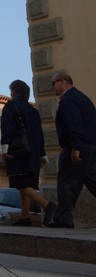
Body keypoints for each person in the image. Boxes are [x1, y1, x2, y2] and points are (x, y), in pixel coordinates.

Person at [0, 79, 56, 226]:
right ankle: (25, 217)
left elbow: (7, 127)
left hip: (18, 150)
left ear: (13, 92)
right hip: (33, 152)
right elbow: (39, 133)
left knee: (20, 183)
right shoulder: (33, 111)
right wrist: (42, 155)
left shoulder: (10, 106)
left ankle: (47, 205)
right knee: (26, 183)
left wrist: (5, 147)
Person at [47, 72, 96, 228]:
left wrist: (75, 148)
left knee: (67, 182)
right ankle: (63, 217)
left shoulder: (69, 100)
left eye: (53, 84)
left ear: (62, 82)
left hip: (78, 147)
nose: (52, 88)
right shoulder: (82, 98)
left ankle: (63, 219)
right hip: (90, 147)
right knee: (93, 181)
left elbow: (75, 125)